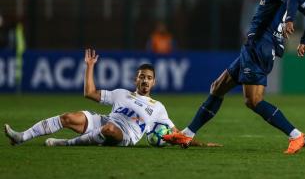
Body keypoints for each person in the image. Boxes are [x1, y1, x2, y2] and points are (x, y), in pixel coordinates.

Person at [163, 0, 305, 154]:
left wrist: (290, 19)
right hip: (253, 47)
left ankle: (296, 135)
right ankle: (187, 134)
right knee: (217, 87)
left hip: (259, 47)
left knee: (253, 101)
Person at [4, 49, 221, 147]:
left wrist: (201, 144)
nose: (145, 81)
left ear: (154, 83)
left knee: (108, 131)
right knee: (68, 117)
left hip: (125, 134)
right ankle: (21, 137)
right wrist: (89, 67)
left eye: (149, 78)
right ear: (135, 79)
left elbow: (176, 134)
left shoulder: (158, 108)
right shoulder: (121, 94)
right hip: (106, 121)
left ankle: (65, 144)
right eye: (142, 77)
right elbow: (89, 93)